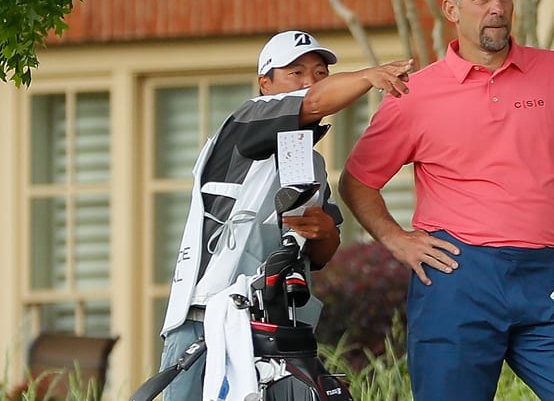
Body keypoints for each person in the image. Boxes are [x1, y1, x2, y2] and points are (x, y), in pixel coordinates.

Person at [338, 0, 554, 401]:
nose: (497, 7)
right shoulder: (414, 94)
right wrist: (397, 240)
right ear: (451, 9)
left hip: (549, 282)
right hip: (457, 279)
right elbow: (358, 181)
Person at [158, 30, 413, 401]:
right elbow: (310, 103)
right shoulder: (244, 122)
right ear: (265, 84)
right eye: (295, 73)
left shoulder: (309, 159)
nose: (310, 82)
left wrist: (324, 231)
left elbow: (323, 253)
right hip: (204, 320)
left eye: (320, 73)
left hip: (275, 330)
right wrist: (366, 76)